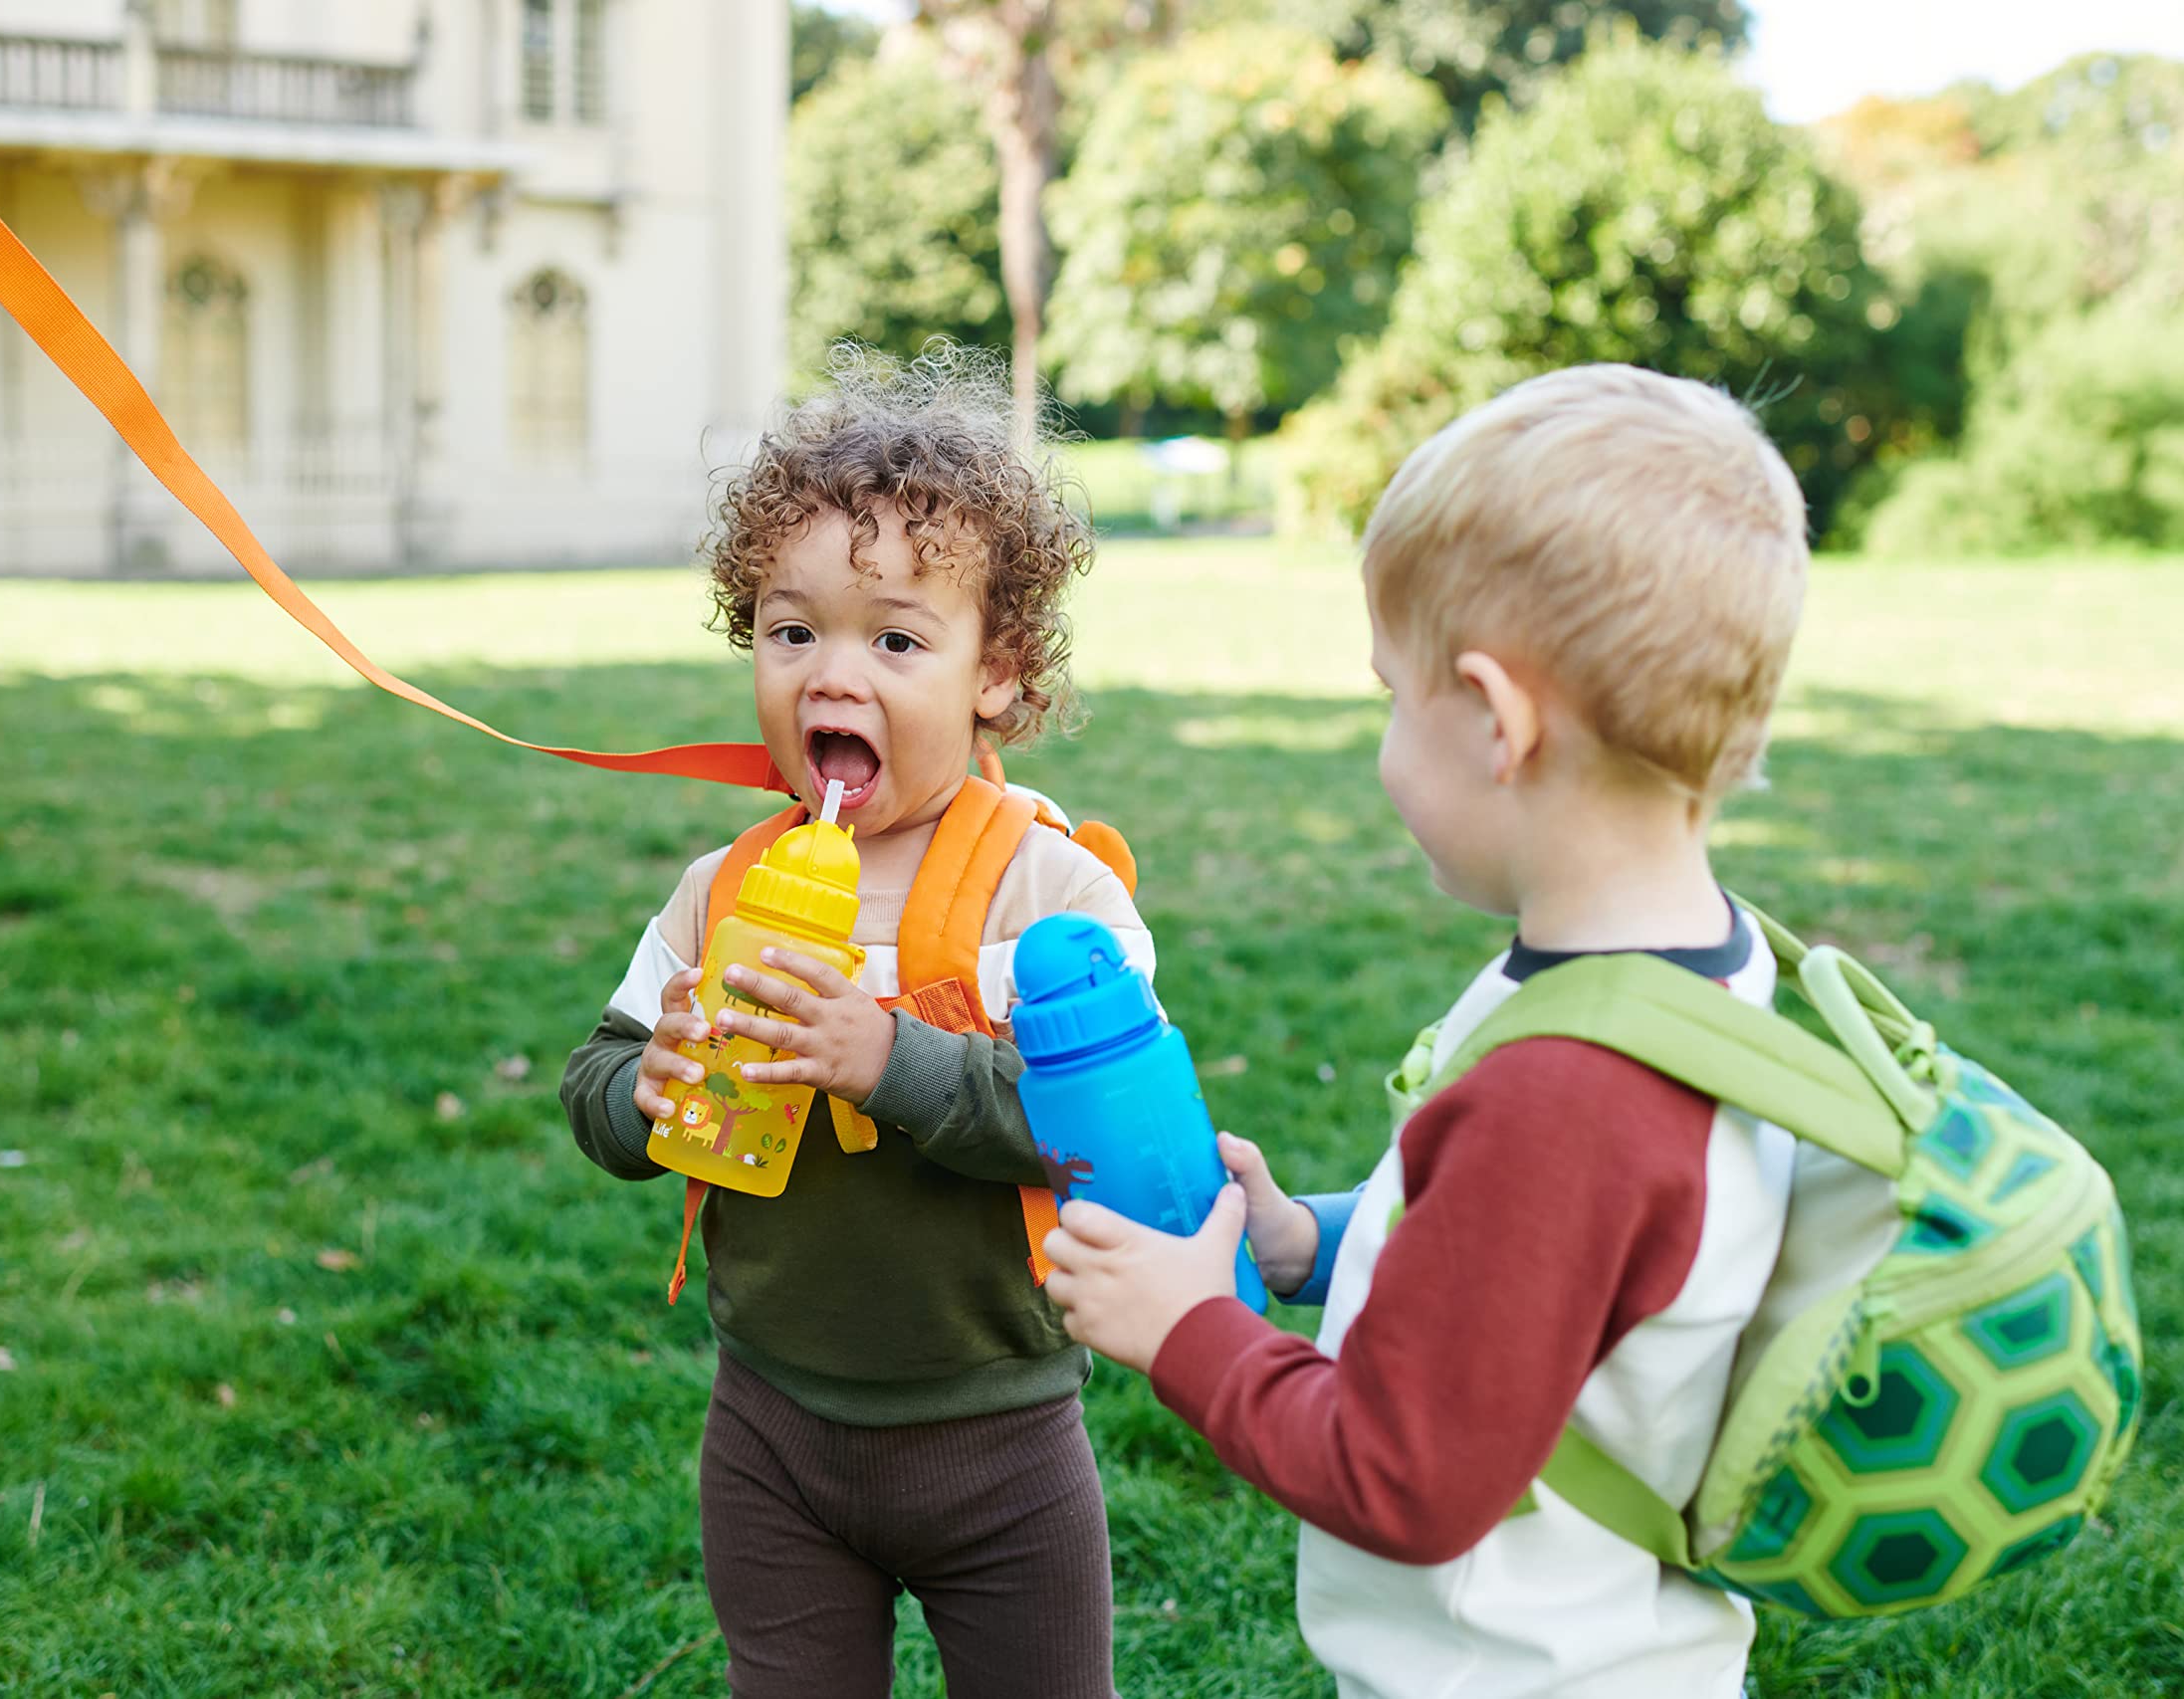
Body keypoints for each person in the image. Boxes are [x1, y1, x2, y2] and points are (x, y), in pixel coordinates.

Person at [1043, 363, 1813, 1698]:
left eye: (1392, 697)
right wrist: (1309, 1243)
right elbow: (1553, 1283)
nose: (1388, 743)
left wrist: (1189, 1333)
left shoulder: (1568, 1091)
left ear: (1494, 720)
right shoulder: (1691, 976)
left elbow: (1402, 1480)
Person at [561, 347, 1143, 1699]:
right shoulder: (726, 888)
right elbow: (596, 1078)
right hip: (770, 1431)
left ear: (996, 672)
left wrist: (888, 1060)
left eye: (895, 638)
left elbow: (1099, 1133)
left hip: (997, 1441)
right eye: (791, 629)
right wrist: (640, 1092)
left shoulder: (1053, 893)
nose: (834, 673)